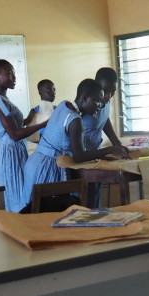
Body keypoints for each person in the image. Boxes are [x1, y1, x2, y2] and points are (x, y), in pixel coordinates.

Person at [21, 78, 124, 209]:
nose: (100, 106)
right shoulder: (75, 121)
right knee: (49, 212)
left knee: (35, 210)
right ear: (85, 98)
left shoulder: (63, 105)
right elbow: (79, 156)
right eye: (97, 101)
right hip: (48, 167)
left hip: (36, 163)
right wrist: (110, 150)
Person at [0, 59, 43, 212]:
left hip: (13, 152)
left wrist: (30, 118)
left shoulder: (1, 99)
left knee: (19, 195)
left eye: (14, 73)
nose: (14, 77)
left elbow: (14, 126)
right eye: (10, 73)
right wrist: (44, 124)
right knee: (17, 198)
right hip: (10, 154)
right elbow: (15, 134)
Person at [81, 67, 130, 206]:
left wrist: (116, 142)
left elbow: (104, 120)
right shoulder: (88, 104)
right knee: (86, 201)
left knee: (95, 198)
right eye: (105, 91)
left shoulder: (105, 101)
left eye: (112, 91)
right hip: (83, 157)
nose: (108, 96)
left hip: (96, 155)